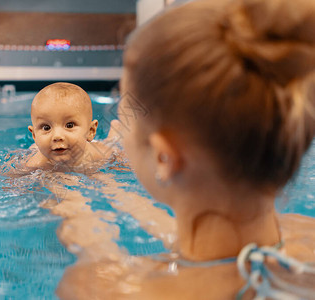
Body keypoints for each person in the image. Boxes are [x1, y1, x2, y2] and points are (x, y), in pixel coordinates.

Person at [56, 0, 315, 298]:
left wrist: (89, 239)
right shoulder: (307, 239)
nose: (119, 128)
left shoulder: (107, 288)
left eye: (128, 115)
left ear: (164, 156)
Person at [25, 82, 120, 172]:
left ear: (90, 131)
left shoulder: (96, 154)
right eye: (46, 127)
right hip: (37, 150)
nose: (57, 136)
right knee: (34, 149)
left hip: (91, 146)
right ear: (34, 135)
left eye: (69, 125)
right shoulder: (36, 164)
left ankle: (114, 131)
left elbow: (121, 160)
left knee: (111, 145)